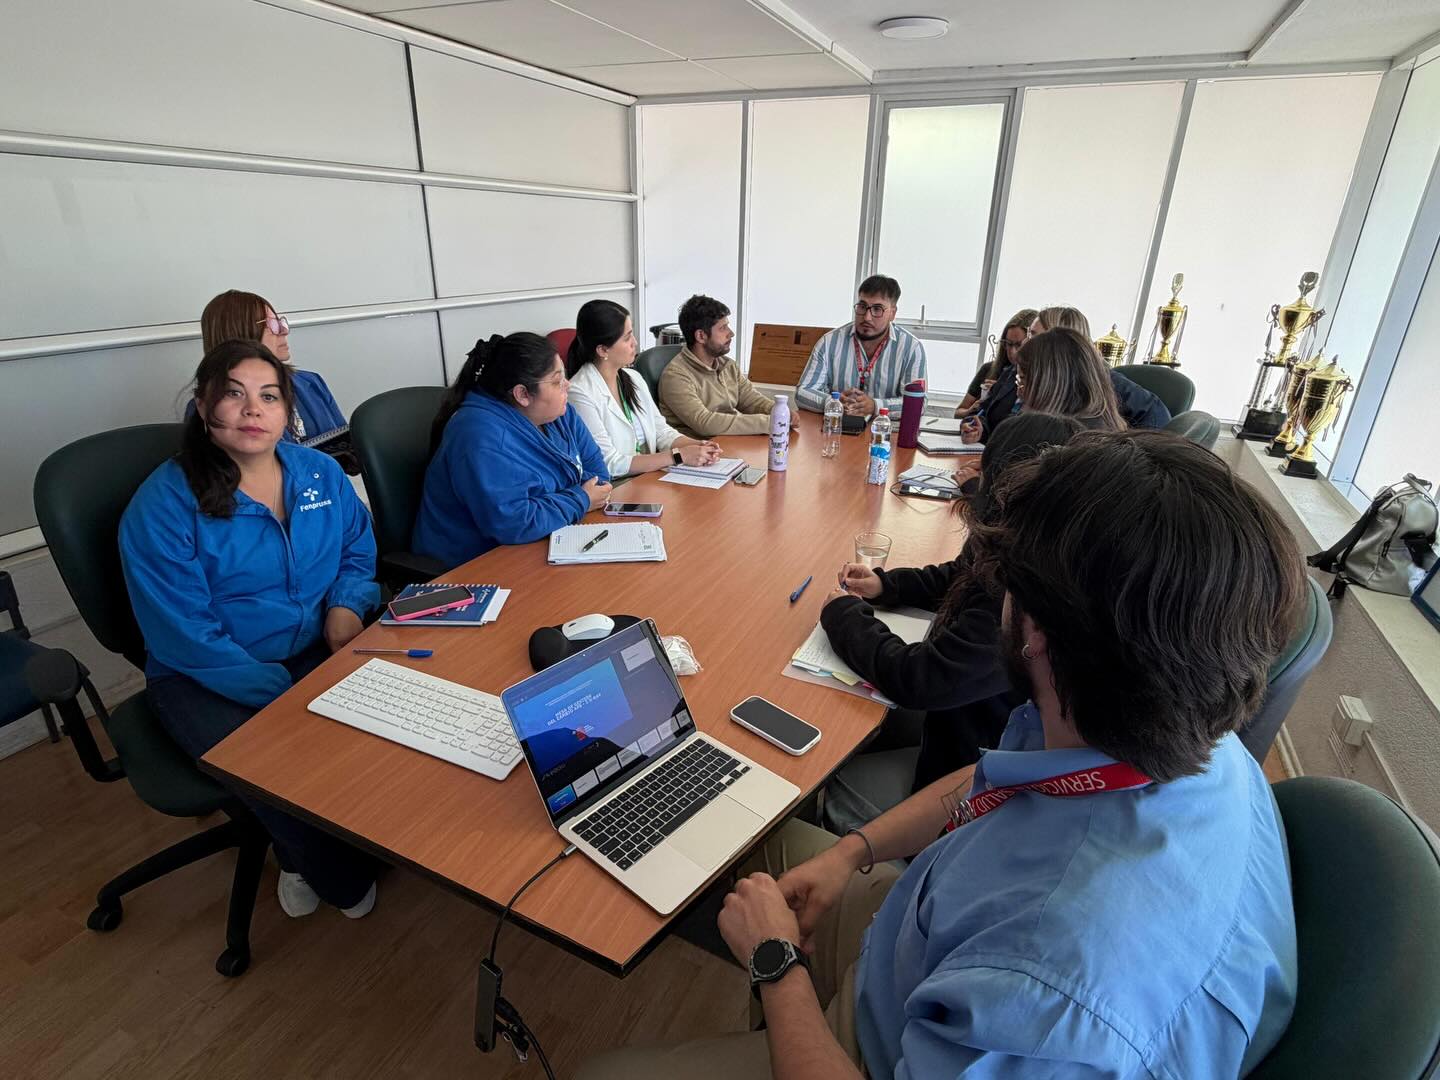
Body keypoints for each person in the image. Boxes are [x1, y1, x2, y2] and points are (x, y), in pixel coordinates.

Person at [580, 429, 1304, 1079]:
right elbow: (994, 780)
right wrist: (850, 852)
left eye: (1001, 583)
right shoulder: (1176, 737)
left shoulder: (1054, 987)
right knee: (752, 840)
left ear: (1036, 631)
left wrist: (778, 967)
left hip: (888, 1045)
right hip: (922, 941)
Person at [120, 340, 381, 919]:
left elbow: (357, 551)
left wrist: (346, 605)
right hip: (203, 673)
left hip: (318, 644)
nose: (252, 410)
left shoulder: (319, 473)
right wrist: (284, 696)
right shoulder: (164, 503)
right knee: (281, 777)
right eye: (233, 395)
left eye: (269, 397)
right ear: (202, 406)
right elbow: (183, 632)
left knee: (387, 735)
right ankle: (324, 867)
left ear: (288, 411)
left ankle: (336, 848)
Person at [821, 413, 1084, 795]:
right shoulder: (1019, 550)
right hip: (953, 715)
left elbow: (918, 679)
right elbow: (958, 575)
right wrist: (886, 585)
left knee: (831, 757)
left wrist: (844, 616)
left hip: (964, 775)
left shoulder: (1021, 601)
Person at [412, 332, 611, 568]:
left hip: (545, 540)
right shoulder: (479, 436)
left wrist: (565, 504)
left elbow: (598, 475)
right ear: (522, 394)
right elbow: (514, 522)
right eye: (557, 381)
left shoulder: (560, 414)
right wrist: (580, 498)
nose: (567, 385)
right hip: (473, 565)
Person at [564, 299, 723, 477]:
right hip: (616, 485)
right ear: (602, 350)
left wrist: (698, 446)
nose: (635, 342)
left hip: (649, 476)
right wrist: (679, 456)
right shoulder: (579, 393)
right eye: (627, 338)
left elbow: (662, 433)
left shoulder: (633, 377)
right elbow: (610, 463)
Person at [199, 291, 353, 462]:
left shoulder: (310, 381)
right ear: (241, 332)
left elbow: (347, 443)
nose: (284, 331)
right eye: (273, 325)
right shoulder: (210, 403)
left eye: (281, 323)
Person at [1021, 305, 1171, 430]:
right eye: (1029, 334)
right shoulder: (1024, 370)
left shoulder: (1105, 382)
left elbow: (1156, 413)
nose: (1025, 343)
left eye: (1035, 336)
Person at [796, 275, 927, 417]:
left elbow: (918, 404)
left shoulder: (911, 348)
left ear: (892, 313)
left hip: (883, 428)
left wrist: (875, 406)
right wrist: (833, 402)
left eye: (877, 309)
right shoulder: (829, 342)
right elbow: (802, 392)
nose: (867, 317)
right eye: (862, 307)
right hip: (837, 426)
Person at [963, 328, 1124, 442]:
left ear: (1049, 382)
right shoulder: (1098, 423)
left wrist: (980, 477)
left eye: (1022, 380)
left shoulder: (1055, 436)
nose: (1019, 392)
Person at [659, 295, 776, 437]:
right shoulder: (675, 376)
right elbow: (705, 423)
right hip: (702, 447)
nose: (731, 333)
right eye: (723, 328)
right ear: (701, 336)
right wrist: (771, 423)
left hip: (730, 443)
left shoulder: (727, 365)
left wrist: (780, 412)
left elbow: (751, 401)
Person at [954, 307, 1036, 417]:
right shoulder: (988, 369)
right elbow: (958, 412)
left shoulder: (1035, 381)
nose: (1012, 352)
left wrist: (999, 395)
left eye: (1019, 345)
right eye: (1008, 344)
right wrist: (971, 410)